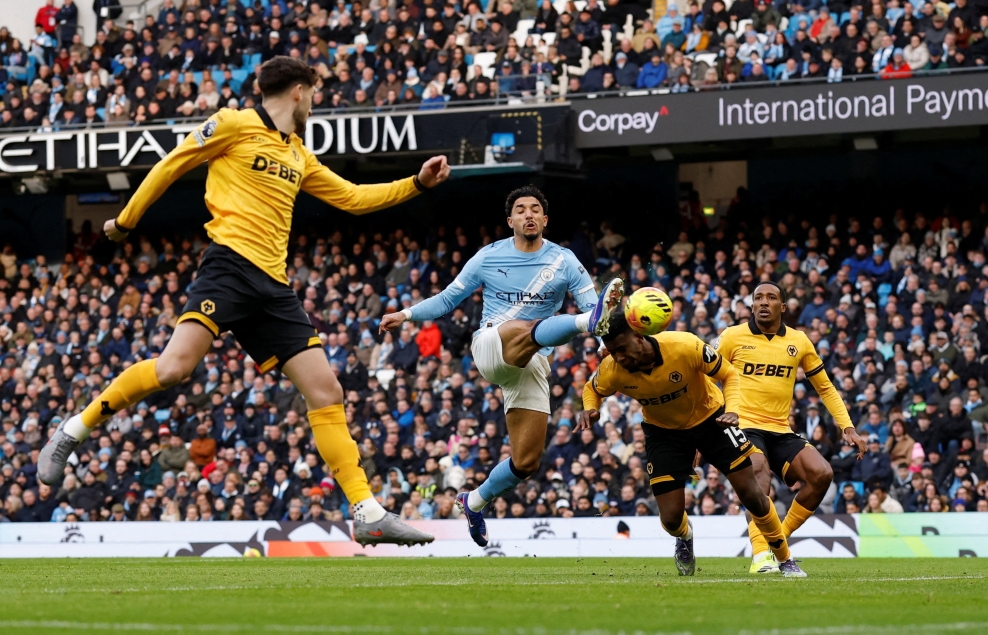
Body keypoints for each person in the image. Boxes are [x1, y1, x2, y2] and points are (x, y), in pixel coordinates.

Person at [37, 56, 444, 547]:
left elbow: (354, 199)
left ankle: (367, 510)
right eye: (313, 93)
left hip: (274, 289)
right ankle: (73, 430)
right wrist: (125, 221)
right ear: (297, 91)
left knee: (326, 391)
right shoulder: (233, 123)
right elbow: (172, 164)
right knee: (172, 371)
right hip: (228, 268)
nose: (315, 103)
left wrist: (416, 184)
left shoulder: (298, 154)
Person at [380, 185, 624, 546]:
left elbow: (594, 306)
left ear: (545, 219)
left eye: (535, 209)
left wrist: (609, 344)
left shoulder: (565, 260)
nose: (529, 214)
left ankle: (474, 500)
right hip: (493, 345)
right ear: (510, 220)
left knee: (526, 462)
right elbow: (448, 299)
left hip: (532, 363)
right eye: (521, 209)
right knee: (529, 327)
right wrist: (405, 313)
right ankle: (579, 326)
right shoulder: (487, 257)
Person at [578, 309, 806, 577]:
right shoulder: (612, 370)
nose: (618, 357)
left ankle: (784, 558)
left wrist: (732, 409)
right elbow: (591, 389)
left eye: (621, 348)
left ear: (639, 337)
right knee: (671, 518)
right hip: (663, 433)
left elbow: (730, 374)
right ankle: (685, 537)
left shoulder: (686, 346)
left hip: (712, 420)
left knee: (753, 495)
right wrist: (590, 408)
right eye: (612, 351)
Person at [716, 282, 866, 574]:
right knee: (758, 467)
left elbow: (825, 387)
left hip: (780, 428)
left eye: (771, 298)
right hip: (742, 423)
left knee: (821, 474)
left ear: (782, 307)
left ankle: (777, 543)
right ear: (751, 305)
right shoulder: (732, 337)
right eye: (758, 297)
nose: (763, 302)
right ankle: (761, 555)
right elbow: (706, 378)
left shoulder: (799, 341)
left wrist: (847, 427)